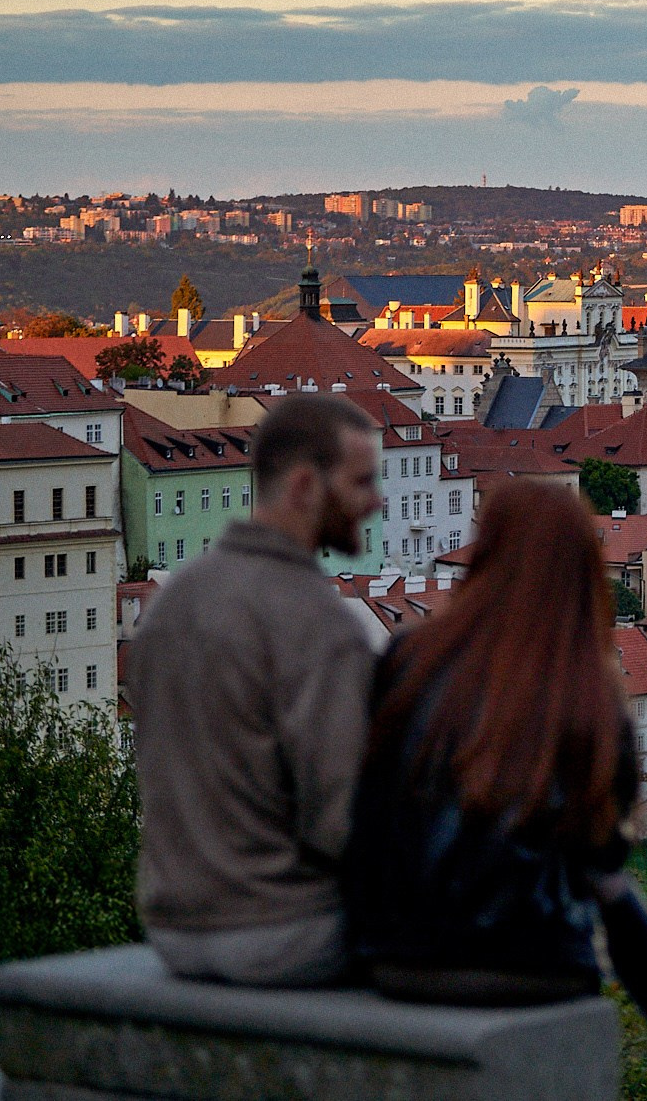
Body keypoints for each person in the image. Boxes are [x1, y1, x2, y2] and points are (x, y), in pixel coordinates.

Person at [345, 482, 647, 1100]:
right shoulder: (582, 684)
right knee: (604, 880)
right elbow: (603, 857)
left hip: (394, 951)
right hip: (528, 963)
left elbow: (367, 807)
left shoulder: (407, 656)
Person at [131, 393, 386, 986]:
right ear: (304, 487)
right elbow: (343, 823)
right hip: (284, 928)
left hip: (172, 926)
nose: (374, 502)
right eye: (361, 482)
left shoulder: (173, 602)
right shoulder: (318, 624)